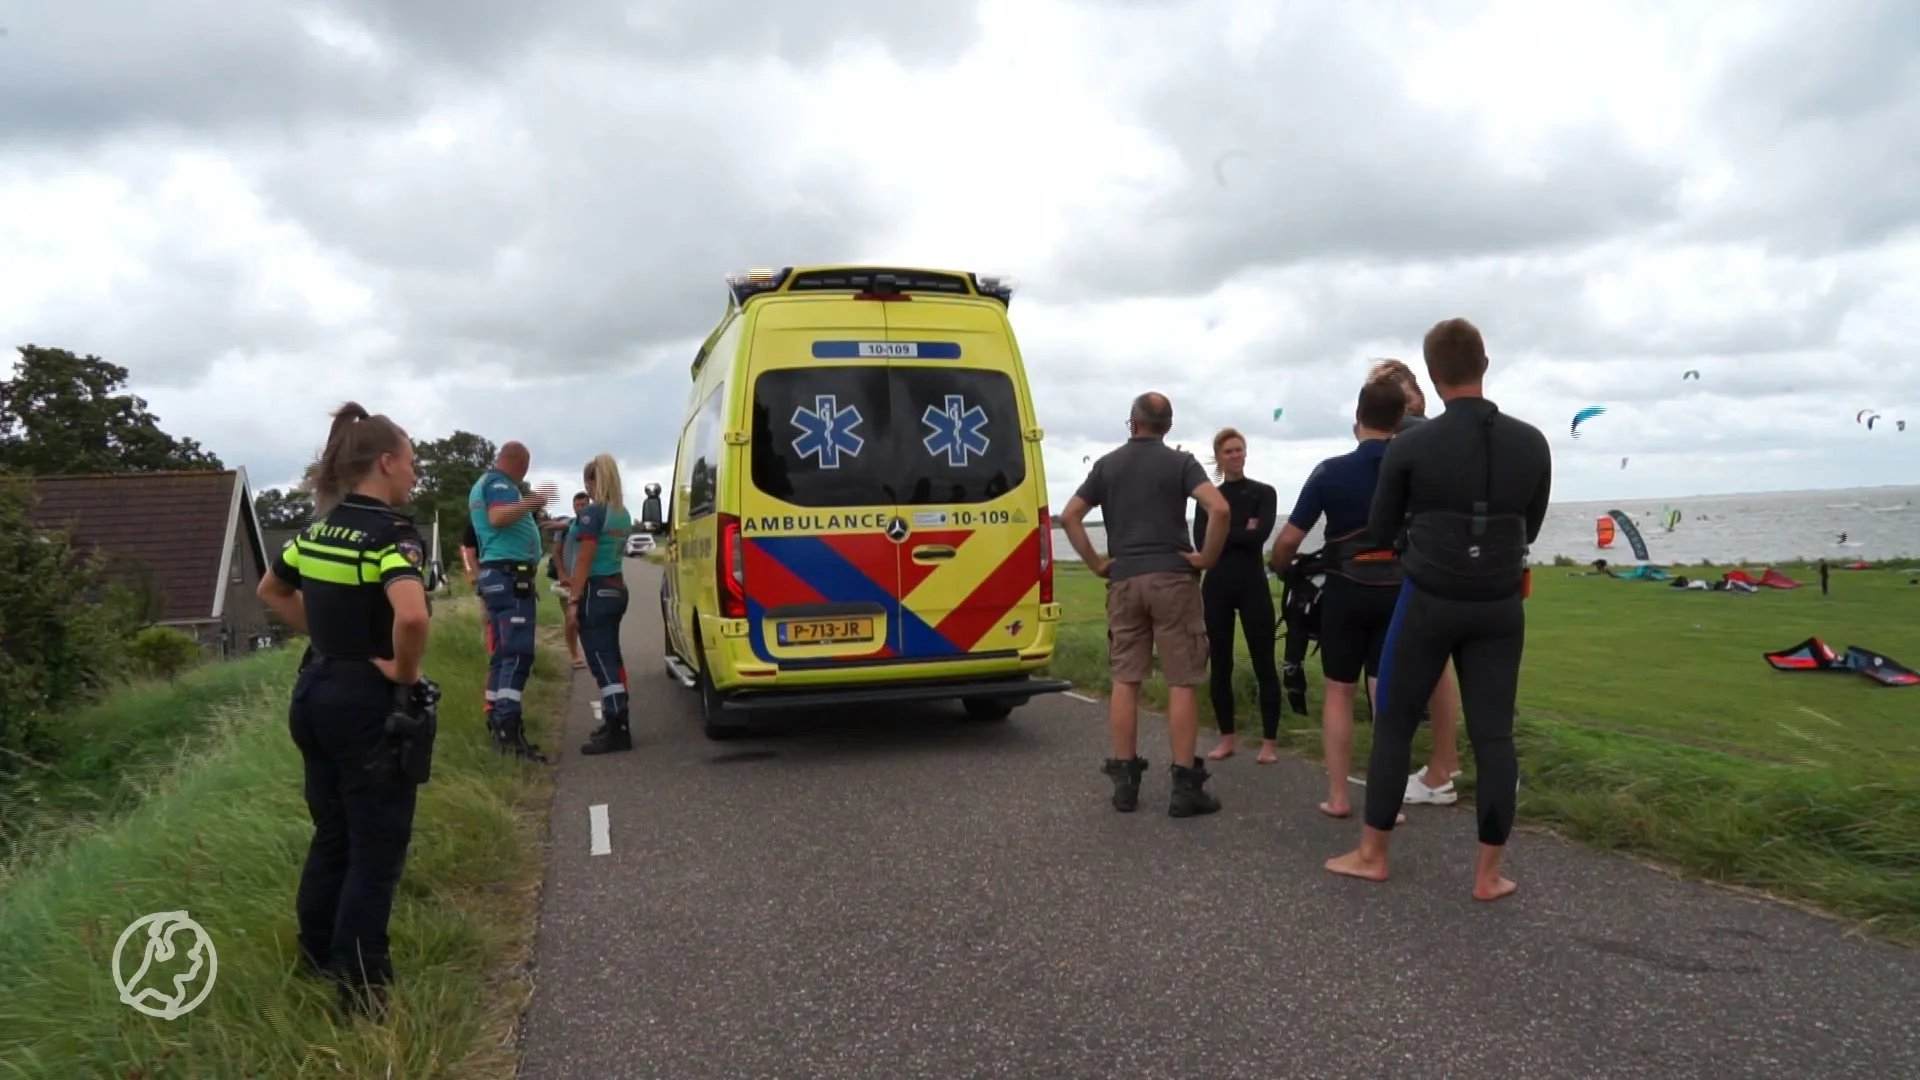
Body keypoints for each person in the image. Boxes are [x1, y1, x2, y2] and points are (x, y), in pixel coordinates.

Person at [1326, 318, 1552, 901]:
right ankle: (1488, 875)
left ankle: (1372, 855)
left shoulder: (1410, 445)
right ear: (1485, 363)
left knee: (1395, 725)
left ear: (1430, 375)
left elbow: (1380, 529)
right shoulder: (1532, 443)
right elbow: (1529, 526)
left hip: (1428, 600)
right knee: (1494, 736)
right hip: (1499, 606)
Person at [256, 402, 433, 1019]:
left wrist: (328, 638)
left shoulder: (317, 532)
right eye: (411, 462)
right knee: (376, 851)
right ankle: (362, 992)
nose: (414, 474)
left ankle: (317, 956)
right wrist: (402, 670)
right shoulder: (392, 535)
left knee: (333, 834)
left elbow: (271, 589)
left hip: (314, 692)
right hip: (364, 706)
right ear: (385, 462)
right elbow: (412, 615)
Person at [1060, 391, 1231, 817]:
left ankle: (1126, 784)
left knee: (1126, 677)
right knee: (1181, 679)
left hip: (1124, 580)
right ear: (1167, 426)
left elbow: (1070, 515)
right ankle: (1184, 787)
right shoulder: (1181, 463)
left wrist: (1097, 563)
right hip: (1173, 579)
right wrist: (1207, 558)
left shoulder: (1107, 465)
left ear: (1132, 423)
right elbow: (1220, 509)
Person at [1268, 377, 1408, 818]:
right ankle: (1388, 803)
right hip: (1397, 593)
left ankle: (1339, 796)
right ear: (1400, 419)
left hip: (1345, 592)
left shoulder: (1330, 471)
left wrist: (1280, 566)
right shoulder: (1415, 469)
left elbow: (1289, 540)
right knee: (1385, 694)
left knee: (1339, 691)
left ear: (1358, 418)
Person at [1368, 356, 1465, 806]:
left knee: (1399, 670)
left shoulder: (1403, 439)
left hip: (1417, 567)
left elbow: (1382, 517)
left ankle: (1423, 773)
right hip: (1457, 563)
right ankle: (1446, 762)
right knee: (1444, 668)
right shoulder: (1448, 435)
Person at [1192, 427, 1281, 763]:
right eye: (1228, 451)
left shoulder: (1263, 493)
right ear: (1218, 458)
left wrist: (1222, 534)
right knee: (1221, 665)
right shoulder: (1208, 499)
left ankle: (1269, 742)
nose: (1235, 455)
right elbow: (1202, 542)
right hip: (1217, 588)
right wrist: (1242, 530)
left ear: (1246, 453)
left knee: (1264, 663)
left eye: (1239, 449)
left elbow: (1259, 537)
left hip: (1253, 586)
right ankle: (1227, 738)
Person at [470, 442, 557, 762]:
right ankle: (508, 728)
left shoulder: (484, 484)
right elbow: (498, 517)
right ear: (519, 463)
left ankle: (497, 720)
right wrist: (534, 500)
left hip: (498, 577)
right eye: (525, 468)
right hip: (509, 577)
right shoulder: (499, 483)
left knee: (502, 654)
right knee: (518, 654)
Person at [571, 455, 636, 754]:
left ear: (592, 481)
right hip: (616, 587)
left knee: (601, 660)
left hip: (595, 591)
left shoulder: (592, 513)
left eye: (587, 483)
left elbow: (585, 559)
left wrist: (573, 599)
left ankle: (617, 726)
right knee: (613, 656)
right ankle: (616, 720)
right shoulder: (622, 514)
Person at [557, 491, 590, 670]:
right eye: (577, 505)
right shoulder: (565, 526)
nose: (580, 508)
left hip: (589, 580)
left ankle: (592, 652)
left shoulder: (595, 526)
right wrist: (562, 574)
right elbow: (556, 552)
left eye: (584, 505)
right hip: (569, 581)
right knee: (571, 619)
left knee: (587, 620)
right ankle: (575, 654)